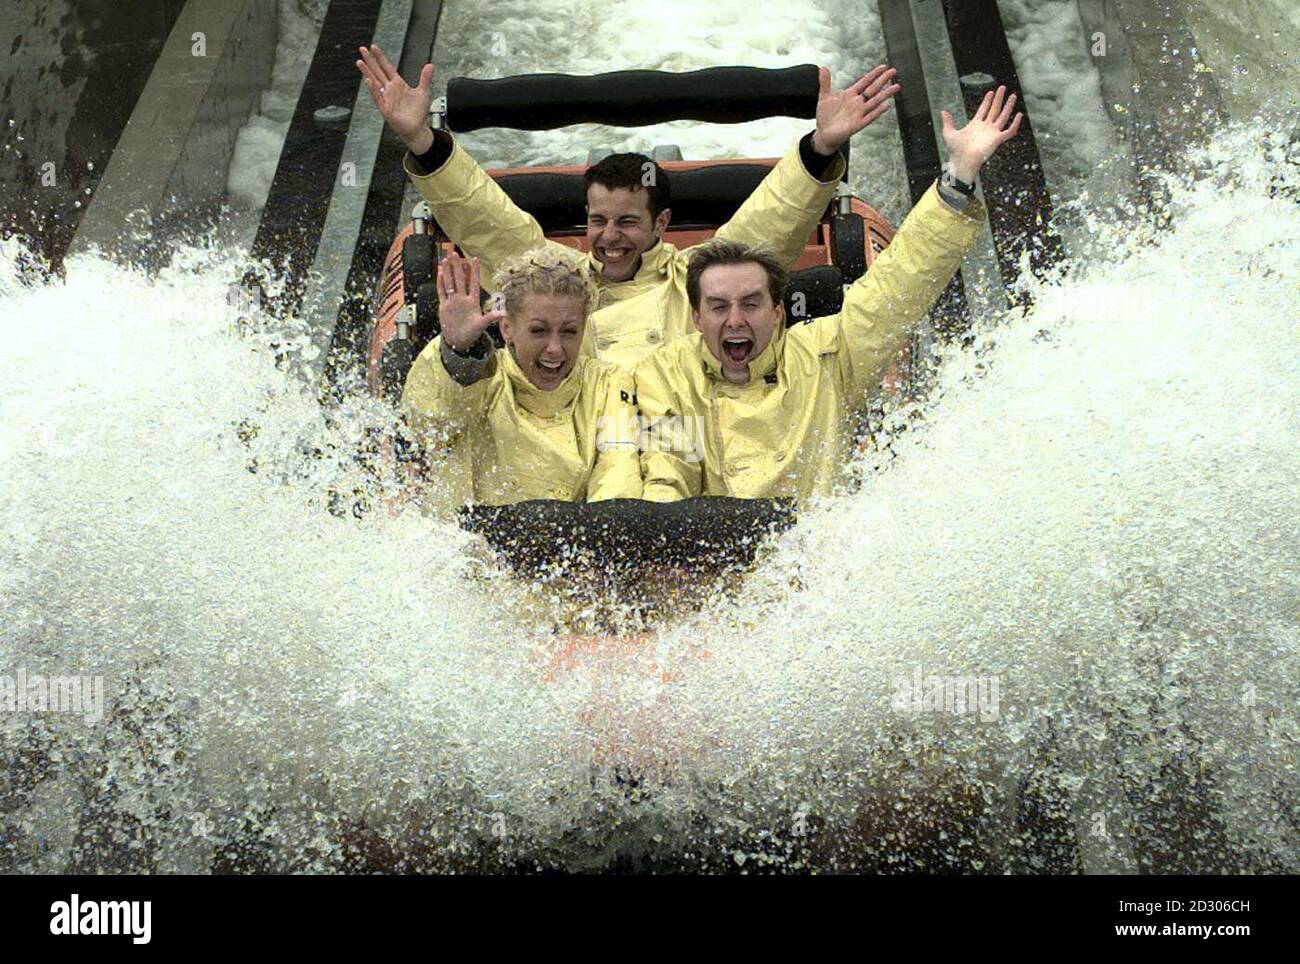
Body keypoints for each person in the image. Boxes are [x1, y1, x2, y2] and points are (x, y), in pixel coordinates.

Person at [357, 44, 899, 369]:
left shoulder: (698, 276)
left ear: (662, 225)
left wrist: (822, 146)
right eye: (597, 221)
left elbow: (771, 222)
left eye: (626, 223)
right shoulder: (554, 277)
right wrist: (424, 143)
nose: (609, 237)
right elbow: (489, 223)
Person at [633, 86, 1024, 502]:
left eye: (751, 303)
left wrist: (959, 173)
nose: (735, 320)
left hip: (821, 554)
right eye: (718, 307)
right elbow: (662, 476)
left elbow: (898, 284)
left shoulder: (825, 357)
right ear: (696, 318)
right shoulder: (667, 377)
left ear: (778, 312)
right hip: (706, 558)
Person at [401, 249, 641, 505]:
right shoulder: (481, 377)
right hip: (475, 536)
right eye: (538, 330)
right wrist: (457, 352)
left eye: (569, 332)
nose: (555, 348)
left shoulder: (608, 382)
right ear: (507, 329)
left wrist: (602, 531)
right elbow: (429, 430)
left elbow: (619, 469)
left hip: (578, 535)